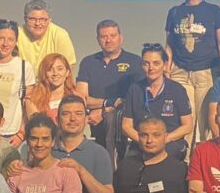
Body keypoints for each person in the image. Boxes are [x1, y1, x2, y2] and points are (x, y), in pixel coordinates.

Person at [165, 0, 220, 143]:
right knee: (184, 120)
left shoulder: (214, 10)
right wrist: (167, 69)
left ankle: (206, 157)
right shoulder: (174, 12)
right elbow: (169, 45)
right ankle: (185, 157)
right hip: (179, 72)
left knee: (206, 122)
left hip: (205, 72)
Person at [76, 19, 141, 150]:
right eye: (104, 36)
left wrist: (104, 111)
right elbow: (81, 98)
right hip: (95, 122)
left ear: (121, 38)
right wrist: (109, 103)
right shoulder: (88, 62)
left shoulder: (135, 62)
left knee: (111, 117)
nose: (108, 40)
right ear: (98, 39)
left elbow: (136, 99)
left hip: (125, 121)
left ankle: (112, 161)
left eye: (113, 36)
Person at [122, 43, 194, 160]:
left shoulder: (177, 89)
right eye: (146, 63)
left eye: (156, 63)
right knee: (128, 165)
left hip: (170, 142)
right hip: (142, 143)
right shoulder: (134, 89)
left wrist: (164, 139)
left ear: (164, 65)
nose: (151, 68)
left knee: (161, 160)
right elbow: (126, 126)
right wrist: (144, 141)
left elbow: (187, 126)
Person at [16, 0, 77, 70]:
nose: (37, 23)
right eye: (32, 19)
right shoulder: (16, 34)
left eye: (42, 19)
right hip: (22, 77)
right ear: (25, 19)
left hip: (53, 77)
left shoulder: (60, 34)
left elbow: (68, 66)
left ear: (49, 20)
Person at [26, 53, 81, 121]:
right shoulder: (32, 99)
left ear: (67, 72)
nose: (55, 73)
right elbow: (36, 124)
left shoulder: (77, 97)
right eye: (50, 69)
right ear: (44, 73)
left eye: (60, 69)